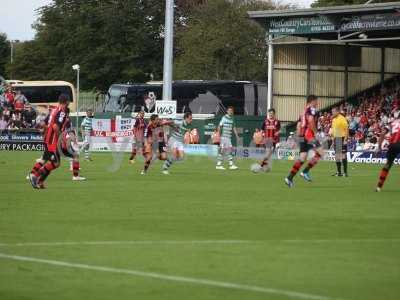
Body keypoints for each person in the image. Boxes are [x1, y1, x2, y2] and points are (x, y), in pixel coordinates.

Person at [28, 94, 70, 189]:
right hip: (53, 141)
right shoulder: (61, 112)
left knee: (46, 159)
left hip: (48, 138)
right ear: (66, 101)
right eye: (68, 101)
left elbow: (43, 123)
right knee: (55, 163)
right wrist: (61, 139)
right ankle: (35, 176)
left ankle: (39, 181)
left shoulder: (54, 110)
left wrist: (45, 131)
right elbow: (55, 126)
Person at [285, 95, 324, 188]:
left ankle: (289, 178)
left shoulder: (303, 111)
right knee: (321, 152)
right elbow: (311, 120)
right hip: (309, 135)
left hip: (302, 136)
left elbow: (298, 125)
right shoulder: (312, 109)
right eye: (316, 101)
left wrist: (299, 137)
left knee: (302, 158)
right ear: (312, 101)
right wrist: (316, 133)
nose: (317, 103)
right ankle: (305, 172)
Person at [376, 116, 400, 192]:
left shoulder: (393, 122)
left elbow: (382, 133)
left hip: (392, 145)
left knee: (388, 164)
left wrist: (379, 147)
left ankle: (379, 187)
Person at [329, 107, 349, 177]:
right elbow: (334, 130)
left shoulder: (342, 119)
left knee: (343, 155)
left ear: (337, 112)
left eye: (333, 112)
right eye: (332, 112)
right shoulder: (334, 119)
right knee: (337, 156)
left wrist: (345, 140)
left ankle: (345, 172)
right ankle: (339, 172)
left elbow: (347, 129)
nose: (332, 113)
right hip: (336, 139)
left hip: (342, 138)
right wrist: (333, 140)